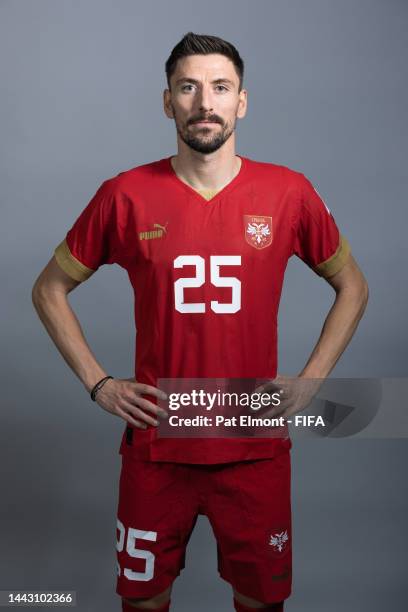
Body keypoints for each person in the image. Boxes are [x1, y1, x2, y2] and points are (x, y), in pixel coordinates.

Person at [32, 32, 368, 612]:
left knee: (261, 604)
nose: (203, 102)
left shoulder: (288, 192)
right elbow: (49, 289)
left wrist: (312, 380)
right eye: (188, 87)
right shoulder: (125, 195)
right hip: (158, 447)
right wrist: (100, 383)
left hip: (253, 444)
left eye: (220, 87)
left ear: (242, 101)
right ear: (168, 102)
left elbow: (353, 286)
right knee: (142, 603)